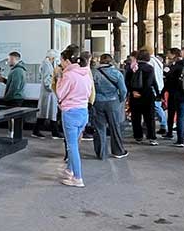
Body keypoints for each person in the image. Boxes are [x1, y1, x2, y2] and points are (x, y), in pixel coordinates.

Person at [53, 47, 93, 187]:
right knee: (75, 143)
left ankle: (78, 178)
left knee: (72, 146)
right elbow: (89, 92)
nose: (61, 64)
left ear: (67, 61)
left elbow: (60, 93)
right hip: (83, 111)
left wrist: (58, 79)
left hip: (70, 112)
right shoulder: (86, 73)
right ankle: (69, 170)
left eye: (62, 61)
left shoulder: (68, 75)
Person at [91, 53, 129, 160]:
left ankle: (101, 153)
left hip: (97, 102)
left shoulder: (93, 73)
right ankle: (118, 151)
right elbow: (123, 90)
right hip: (113, 102)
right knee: (115, 127)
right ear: (111, 61)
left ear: (100, 61)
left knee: (99, 128)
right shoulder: (116, 73)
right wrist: (120, 100)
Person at [125, 49, 160, 144]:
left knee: (135, 117)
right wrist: (158, 94)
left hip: (134, 96)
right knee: (149, 118)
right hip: (147, 96)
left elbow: (126, 81)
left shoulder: (131, 67)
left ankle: (138, 136)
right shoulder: (149, 68)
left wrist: (132, 92)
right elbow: (152, 82)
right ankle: (151, 137)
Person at [33, 49, 61, 139]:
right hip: (49, 93)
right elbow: (47, 80)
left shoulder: (46, 64)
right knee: (49, 113)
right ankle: (54, 132)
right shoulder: (47, 65)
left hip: (49, 93)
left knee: (46, 113)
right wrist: (54, 88)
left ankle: (39, 131)